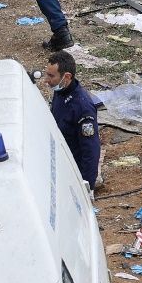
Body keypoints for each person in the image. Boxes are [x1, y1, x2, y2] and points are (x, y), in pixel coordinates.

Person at [43, 50, 101, 189]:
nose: (46, 80)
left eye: (51, 76)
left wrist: (86, 186)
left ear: (67, 76)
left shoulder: (82, 107)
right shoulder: (61, 91)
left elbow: (91, 150)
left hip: (74, 174)